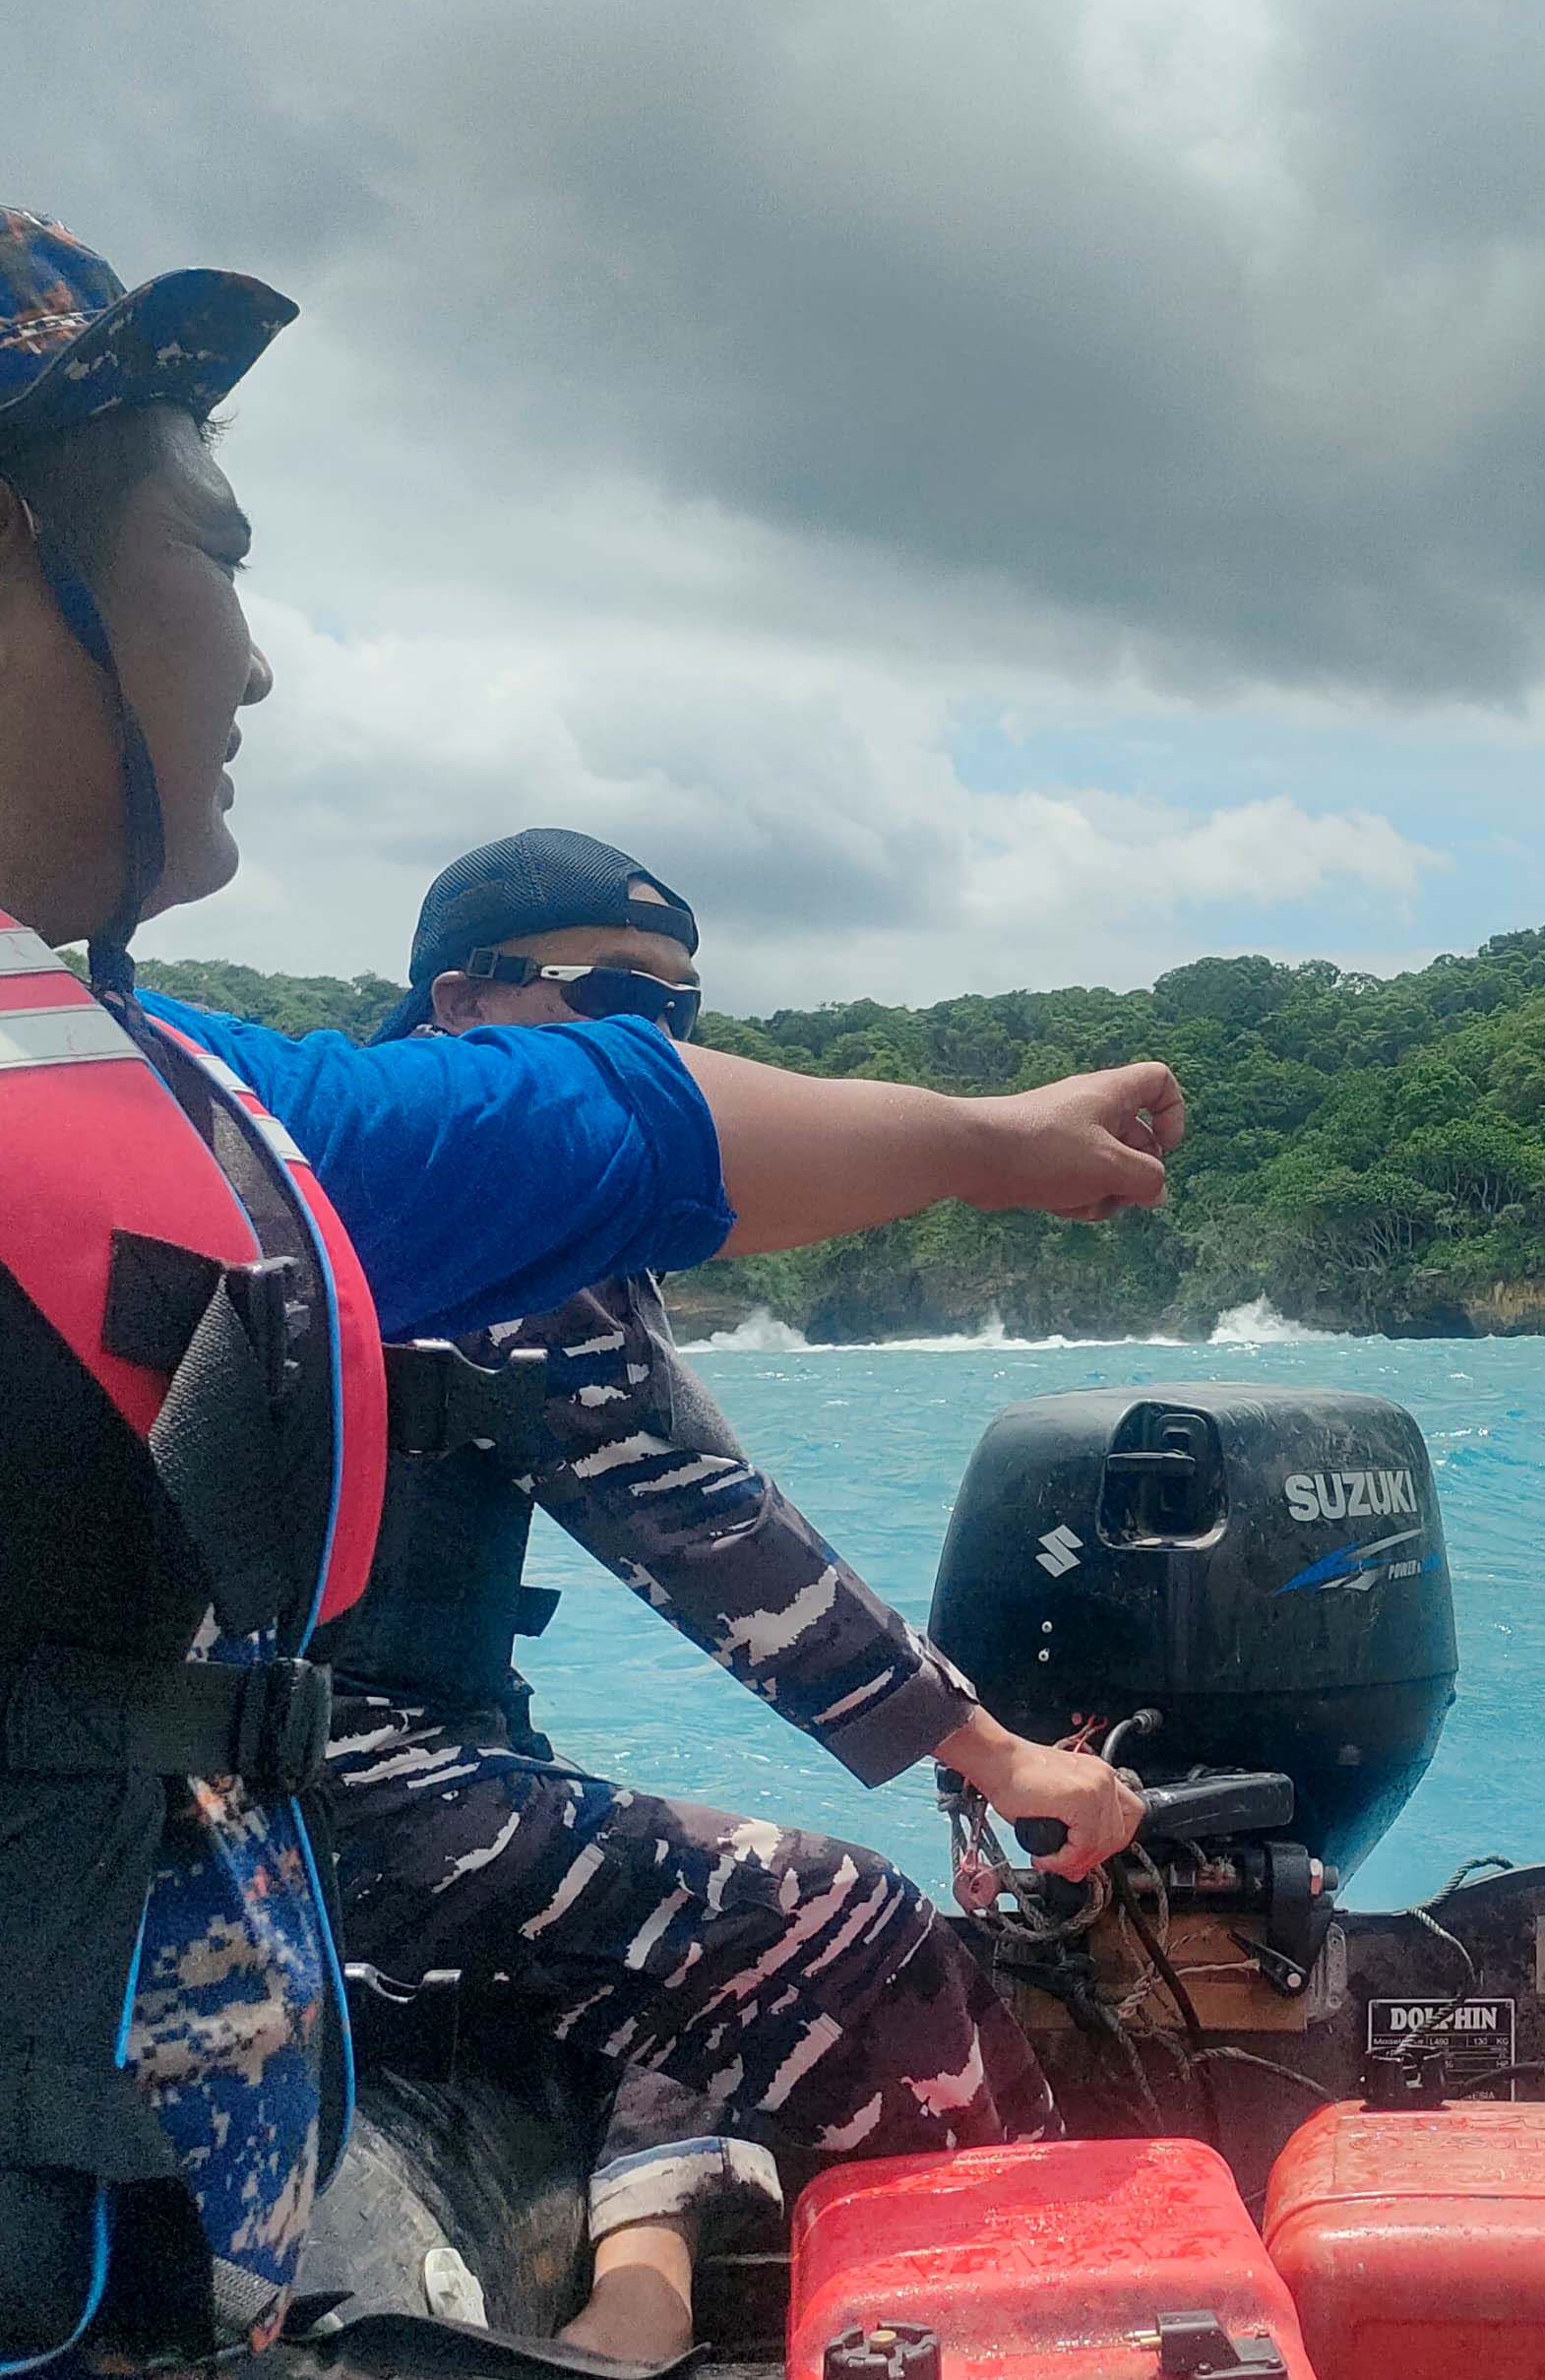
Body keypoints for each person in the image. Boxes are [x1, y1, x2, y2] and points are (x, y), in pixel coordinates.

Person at [0, 206, 1185, 2372]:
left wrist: (1000, 1139)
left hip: (48, 2275)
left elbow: (603, 1125)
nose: (253, 662)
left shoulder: (102, 1067)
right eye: (217, 554)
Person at [315, 827, 1133, 2363]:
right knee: (851, 1923)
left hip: (349, 1757)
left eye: (677, 1019)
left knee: (667, 1917)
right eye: (605, 1000)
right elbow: (703, 1529)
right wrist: (1001, 1757)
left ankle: (643, 2282)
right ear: (460, 1003)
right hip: (312, 1783)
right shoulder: (481, 1207)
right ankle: (1039, 2310)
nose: (653, 1051)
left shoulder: (364, 1176)